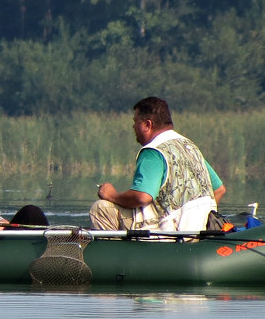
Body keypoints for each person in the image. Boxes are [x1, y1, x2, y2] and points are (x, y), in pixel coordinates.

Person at [91, 97, 226, 232]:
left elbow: (142, 196)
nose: (133, 126)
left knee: (101, 208)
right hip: (207, 228)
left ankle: (117, 252)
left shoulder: (153, 151)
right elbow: (219, 190)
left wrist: (111, 195)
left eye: (135, 122)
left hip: (172, 232)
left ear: (147, 125)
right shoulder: (189, 146)